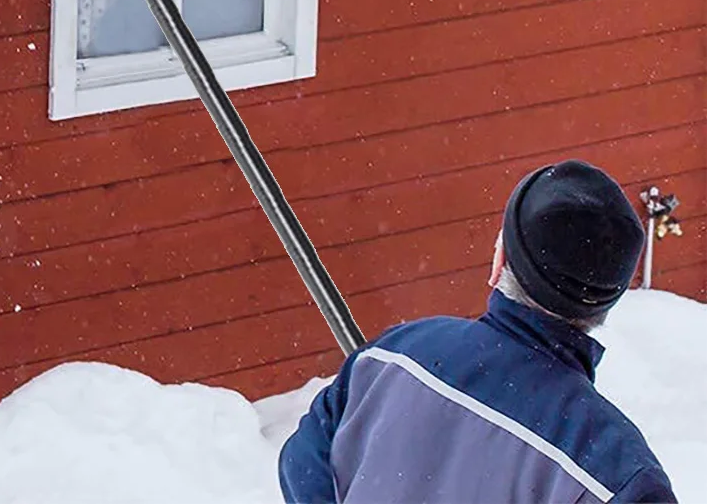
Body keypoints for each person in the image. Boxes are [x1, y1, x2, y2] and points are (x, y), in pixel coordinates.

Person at [278, 160, 675, 503]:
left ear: (499, 259)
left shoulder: (393, 357)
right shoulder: (614, 469)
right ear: (605, 304)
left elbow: (303, 464)